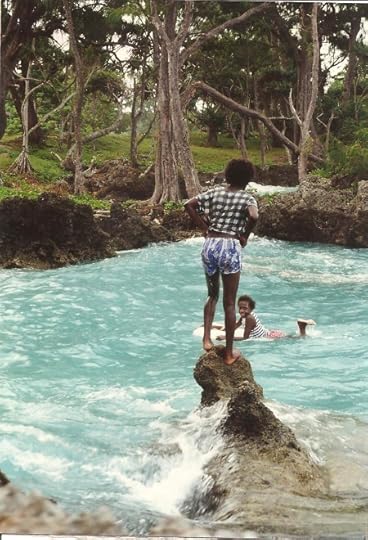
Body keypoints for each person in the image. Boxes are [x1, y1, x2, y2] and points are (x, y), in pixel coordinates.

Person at [185, 159, 259, 365]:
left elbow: (189, 205)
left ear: (227, 176)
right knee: (229, 302)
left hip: (210, 245)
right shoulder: (247, 197)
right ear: (247, 180)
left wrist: (204, 228)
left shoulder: (215, 192)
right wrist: (244, 235)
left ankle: (207, 339)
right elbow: (253, 216)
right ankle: (228, 354)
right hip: (230, 246)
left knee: (212, 295)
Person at [216, 294, 316, 341]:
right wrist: (224, 329)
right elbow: (237, 324)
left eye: (245, 308)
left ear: (251, 309)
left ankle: (302, 327)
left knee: (295, 338)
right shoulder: (245, 316)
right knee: (291, 336)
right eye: (240, 308)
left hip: (270, 336)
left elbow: (245, 337)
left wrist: (226, 337)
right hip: (269, 332)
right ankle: (301, 327)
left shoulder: (250, 318)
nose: (242, 310)